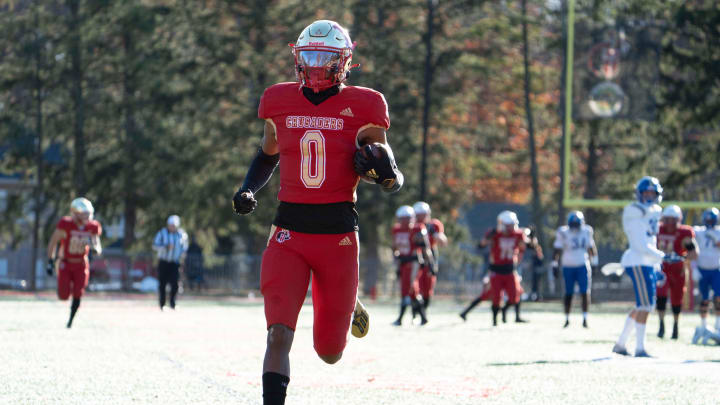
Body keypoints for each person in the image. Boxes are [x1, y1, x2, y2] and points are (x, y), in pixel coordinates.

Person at [230, 20, 403, 405]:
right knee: (278, 334)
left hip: (338, 235)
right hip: (288, 233)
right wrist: (247, 188)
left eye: (325, 59)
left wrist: (386, 175)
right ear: (297, 58)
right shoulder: (277, 99)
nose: (316, 66)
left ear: (343, 62)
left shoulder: (366, 104)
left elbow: (390, 175)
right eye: (309, 57)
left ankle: (349, 296)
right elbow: (267, 154)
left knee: (330, 352)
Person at [612, 176, 664, 357]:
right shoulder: (634, 210)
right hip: (637, 261)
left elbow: (651, 240)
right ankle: (640, 348)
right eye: (646, 192)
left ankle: (620, 344)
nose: (649, 196)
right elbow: (639, 244)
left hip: (646, 262)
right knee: (646, 305)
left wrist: (657, 262)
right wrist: (661, 256)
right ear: (639, 193)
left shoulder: (654, 211)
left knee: (643, 304)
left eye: (652, 192)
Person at [46, 198, 102, 328]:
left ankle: (71, 320)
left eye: (88, 214)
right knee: (64, 296)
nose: (87, 217)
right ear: (75, 213)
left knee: (78, 292)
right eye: (84, 214)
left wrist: (95, 250)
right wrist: (50, 261)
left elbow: (97, 244)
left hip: (81, 264)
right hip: (66, 262)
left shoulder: (92, 226)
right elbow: (53, 242)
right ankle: (62, 288)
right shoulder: (66, 224)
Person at [466, 211, 528, 326]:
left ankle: (506, 312)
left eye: (511, 225)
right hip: (496, 270)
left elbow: (525, 246)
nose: (510, 228)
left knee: (515, 296)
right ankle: (494, 321)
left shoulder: (518, 234)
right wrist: (487, 239)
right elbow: (480, 246)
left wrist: (529, 239)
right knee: (496, 297)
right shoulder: (494, 233)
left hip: (510, 270)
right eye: (508, 225)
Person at [655, 205, 697, 339]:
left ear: (678, 219)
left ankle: (675, 325)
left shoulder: (685, 232)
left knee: (676, 298)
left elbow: (694, 253)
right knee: (660, 296)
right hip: (662, 268)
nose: (670, 223)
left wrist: (684, 257)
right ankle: (661, 324)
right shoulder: (657, 228)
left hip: (678, 269)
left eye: (673, 220)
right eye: (667, 219)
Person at [552, 211, 597, 328]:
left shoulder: (587, 231)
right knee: (568, 293)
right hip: (568, 266)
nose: (575, 227)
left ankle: (585, 318)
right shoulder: (563, 232)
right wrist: (554, 264)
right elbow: (557, 249)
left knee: (585, 292)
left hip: (582, 265)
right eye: (573, 224)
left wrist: (595, 263)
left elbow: (591, 248)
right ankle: (567, 318)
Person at [391, 205, 429, 326]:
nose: (405, 221)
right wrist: (396, 259)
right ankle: (423, 317)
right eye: (403, 218)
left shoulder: (417, 229)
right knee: (410, 291)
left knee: (409, 289)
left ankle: (400, 319)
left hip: (414, 263)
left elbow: (425, 246)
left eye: (407, 218)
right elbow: (395, 246)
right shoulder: (396, 230)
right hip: (403, 263)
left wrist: (430, 264)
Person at [412, 201, 447, 312]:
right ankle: (415, 314)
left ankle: (424, 312)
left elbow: (443, 241)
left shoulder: (434, 224)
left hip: (430, 256)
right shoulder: (412, 226)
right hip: (415, 256)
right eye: (418, 215)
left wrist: (434, 234)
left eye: (423, 214)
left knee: (428, 287)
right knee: (415, 286)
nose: (421, 217)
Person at [692, 207, 720, 344]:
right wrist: (693, 268)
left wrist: (716, 239)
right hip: (702, 269)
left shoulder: (719, 231)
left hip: (716, 269)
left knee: (718, 297)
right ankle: (703, 325)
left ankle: (718, 324)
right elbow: (690, 248)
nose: (709, 221)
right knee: (704, 299)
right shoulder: (698, 231)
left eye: (711, 219)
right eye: (707, 219)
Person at [152, 215, 188, 310]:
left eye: (174, 225)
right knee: (162, 284)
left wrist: (183, 256)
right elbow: (154, 246)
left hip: (175, 263)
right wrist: (165, 247)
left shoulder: (181, 234)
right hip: (163, 262)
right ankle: (162, 304)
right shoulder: (162, 233)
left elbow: (185, 247)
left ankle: (173, 303)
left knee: (175, 283)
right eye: (171, 225)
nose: (172, 227)